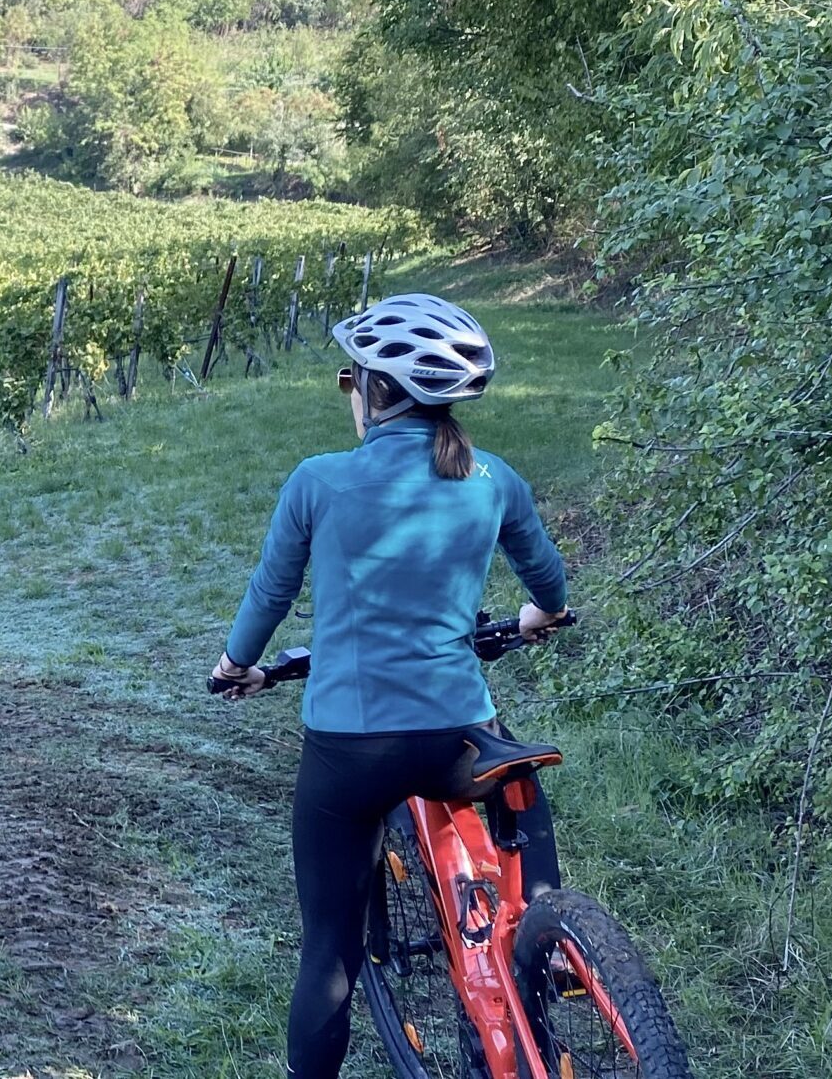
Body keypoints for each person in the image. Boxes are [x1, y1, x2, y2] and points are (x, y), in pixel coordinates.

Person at [210, 293, 570, 1078]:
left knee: (327, 958)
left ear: (377, 393)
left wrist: (238, 664)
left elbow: (270, 597)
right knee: (519, 789)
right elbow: (548, 582)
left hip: (349, 751)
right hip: (455, 740)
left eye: (353, 380)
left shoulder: (319, 481)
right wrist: (539, 616)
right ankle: (551, 929)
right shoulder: (492, 479)